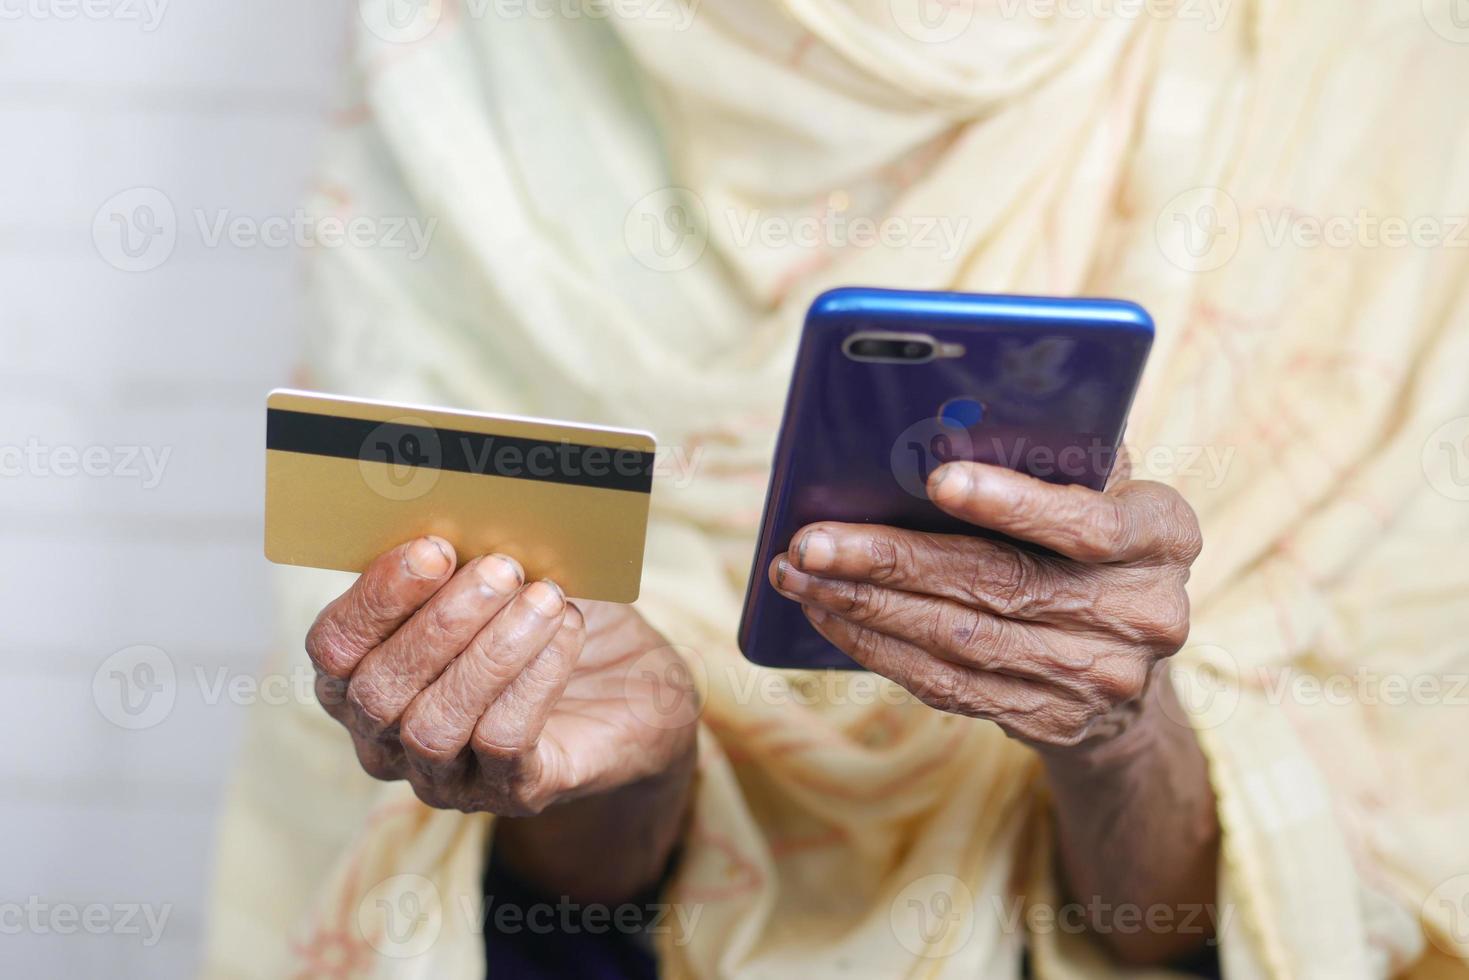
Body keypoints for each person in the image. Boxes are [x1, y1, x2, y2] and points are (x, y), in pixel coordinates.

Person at [205, 2, 1469, 977]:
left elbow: (1308, 907)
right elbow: (522, 907)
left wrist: (1115, 727)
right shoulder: (472, 49)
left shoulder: (1370, 65)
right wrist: (614, 773)